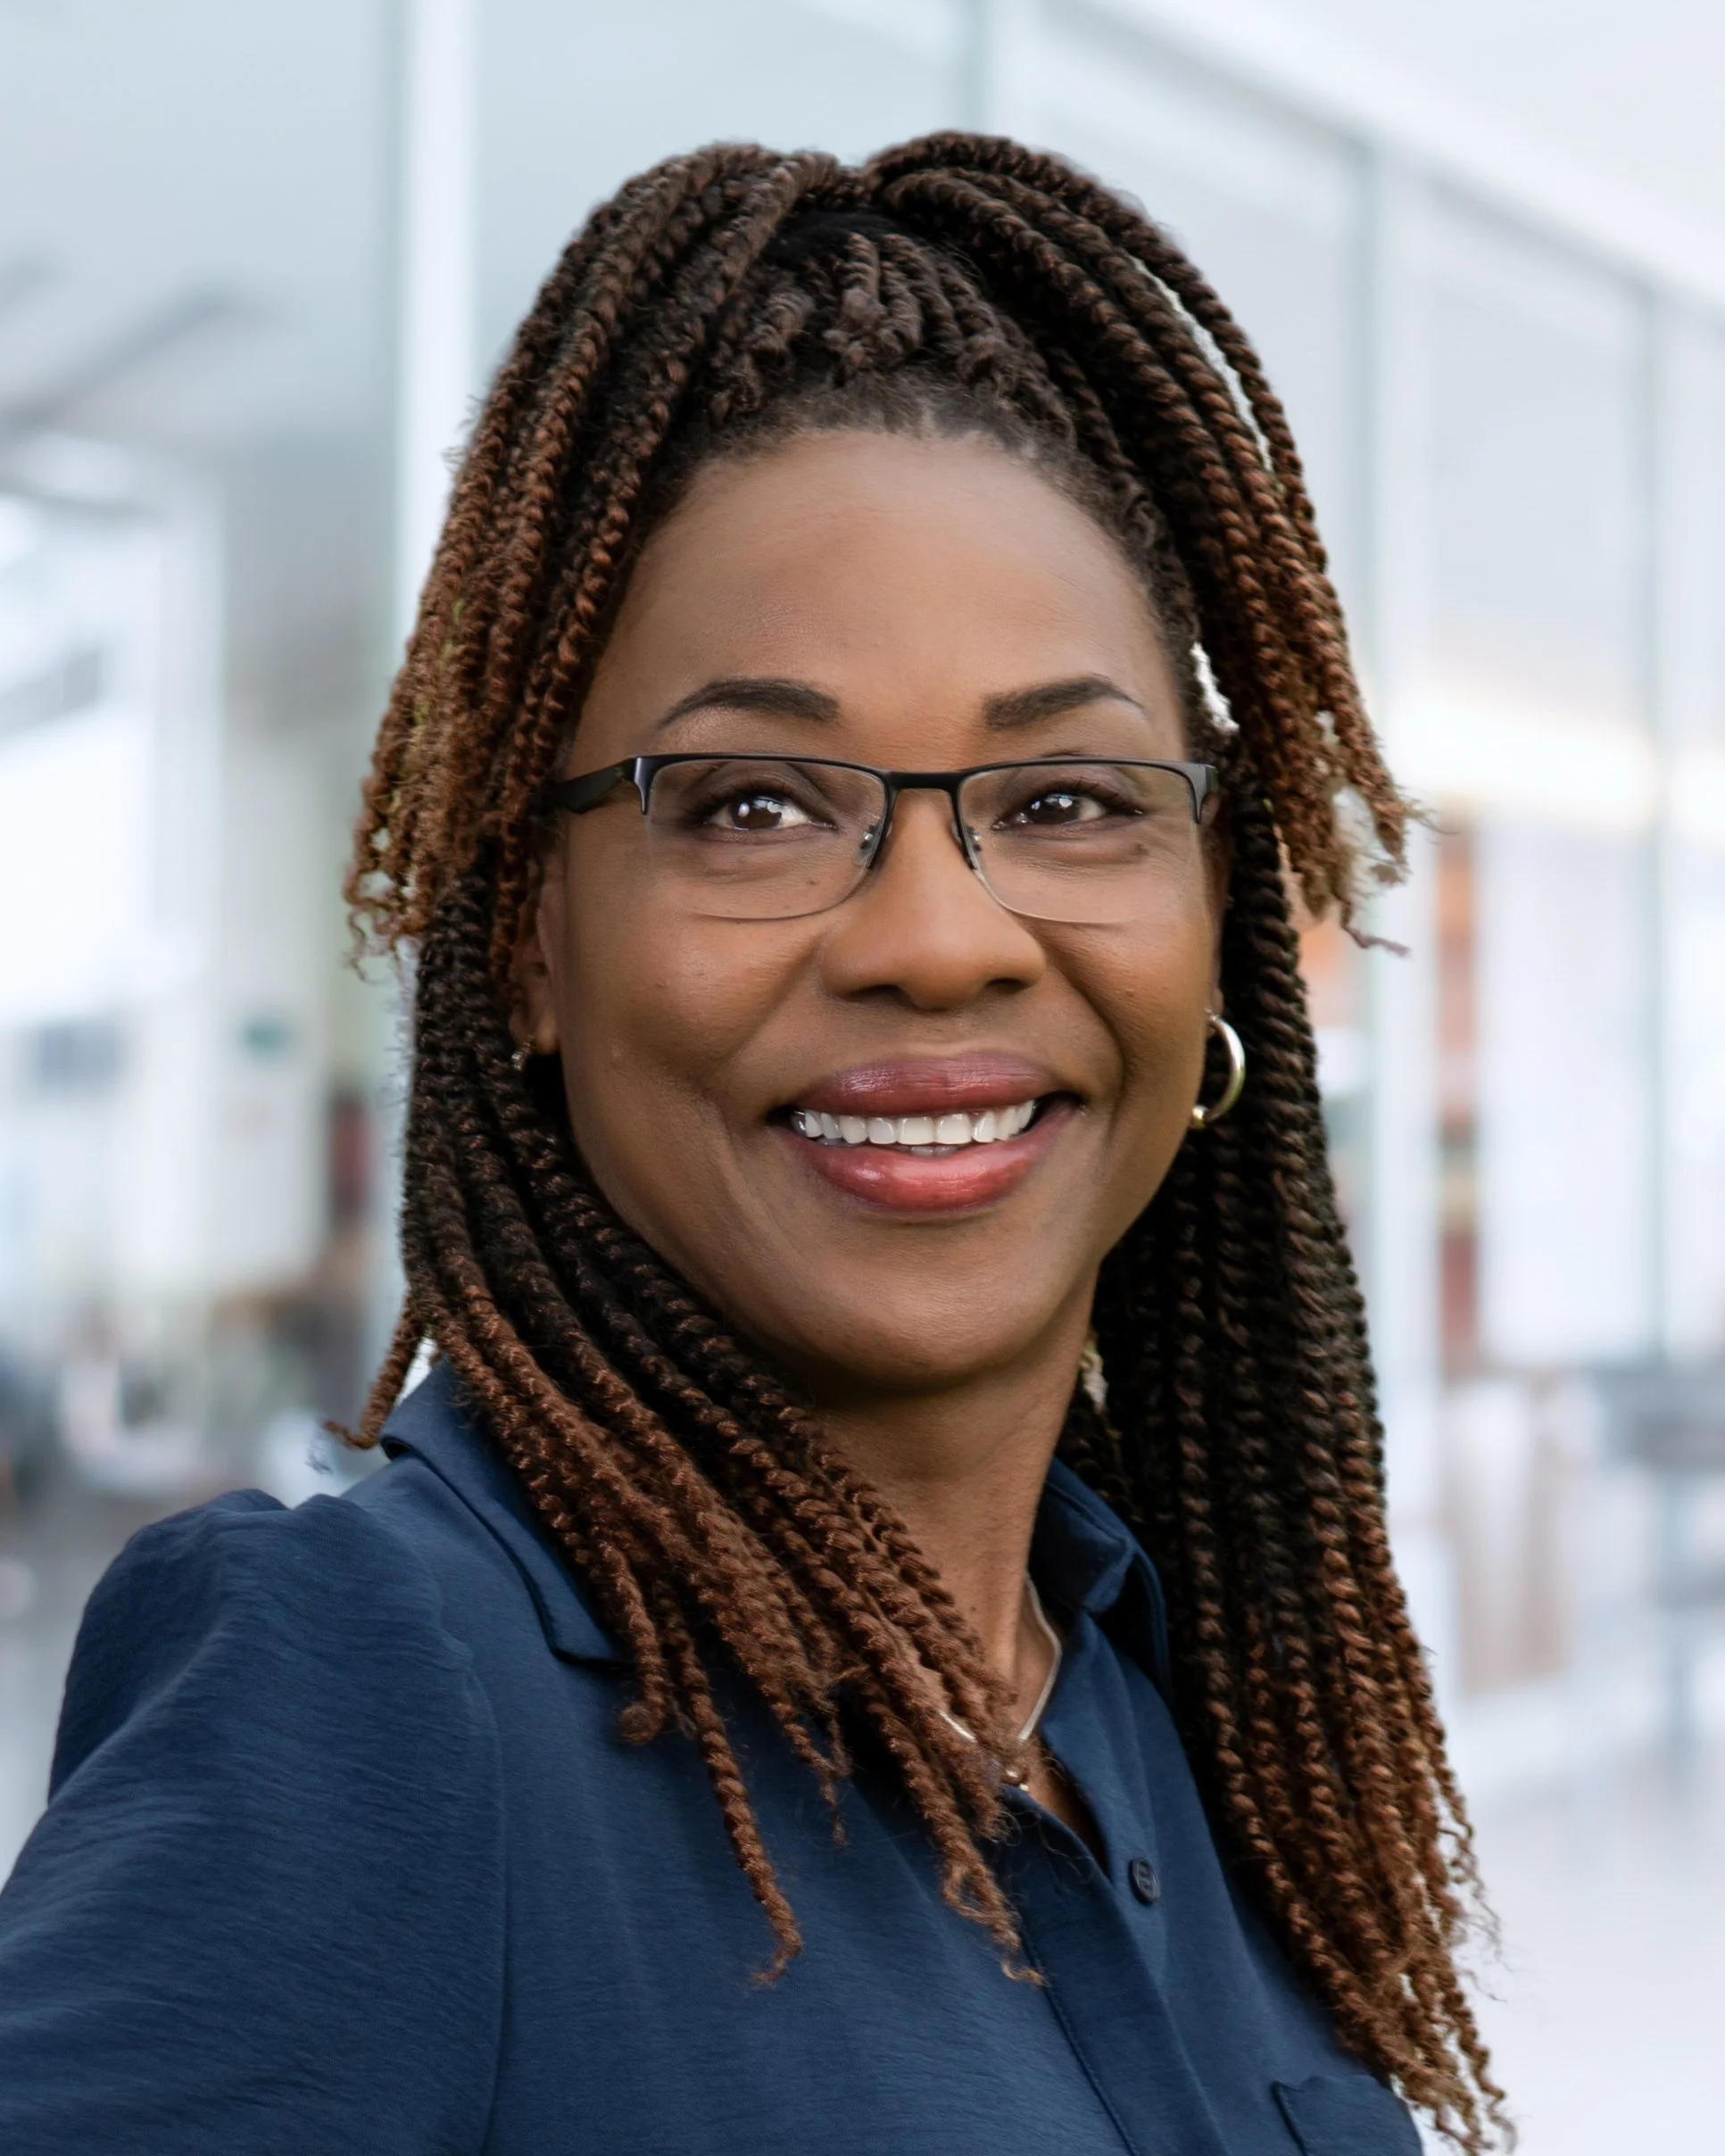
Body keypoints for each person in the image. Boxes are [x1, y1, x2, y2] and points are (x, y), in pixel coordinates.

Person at [0, 137, 1504, 2153]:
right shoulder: (373, 1690)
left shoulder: (1169, 1696)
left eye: (1067, 798)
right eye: (752, 806)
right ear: (530, 942)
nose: (940, 936)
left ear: (1212, 909)